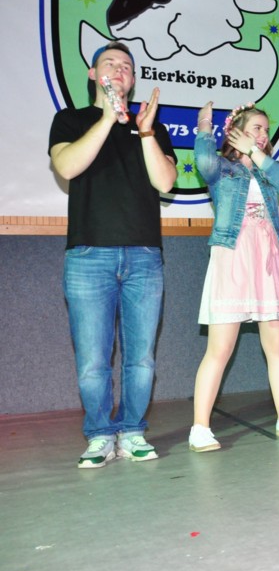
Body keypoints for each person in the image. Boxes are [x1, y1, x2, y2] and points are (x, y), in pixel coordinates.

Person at [48, 41, 177, 468]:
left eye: (127, 66)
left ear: (133, 78)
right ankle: (100, 434)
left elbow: (165, 182)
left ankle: (133, 430)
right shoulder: (70, 120)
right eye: (110, 63)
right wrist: (108, 117)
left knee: (141, 358)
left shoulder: (151, 127)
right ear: (93, 74)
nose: (119, 70)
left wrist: (145, 132)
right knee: (92, 361)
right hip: (89, 257)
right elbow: (67, 166)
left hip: (143, 256)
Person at [187, 102, 279, 452]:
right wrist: (205, 125)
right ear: (236, 131)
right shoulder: (223, 169)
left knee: (278, 346)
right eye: (256, 128)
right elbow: (204, 162)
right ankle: (200, 427)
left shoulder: (268, 171)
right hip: (233, 256)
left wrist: (256, 152)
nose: (263, 134)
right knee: (220, 348)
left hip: (269, 259)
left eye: (266, 130)